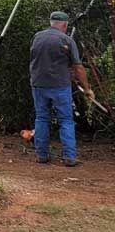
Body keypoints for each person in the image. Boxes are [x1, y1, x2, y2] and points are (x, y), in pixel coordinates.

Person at [30, 11, 93, 167]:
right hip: (59, 86)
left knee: (42, 118)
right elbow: (78, 67)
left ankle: (41, 155)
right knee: (66, 120)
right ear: (65, 25)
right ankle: (69, 157)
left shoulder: (37, 37)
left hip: (38, 84)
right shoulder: (67, 40)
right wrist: (87, 89)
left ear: (51, 22)